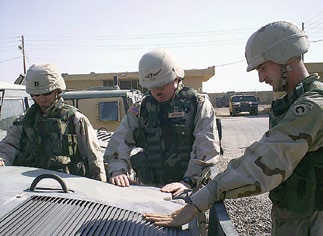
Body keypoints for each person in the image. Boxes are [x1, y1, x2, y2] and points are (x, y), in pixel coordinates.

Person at [143, 21, 323, 235]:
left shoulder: (312, 106)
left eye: (263, 67)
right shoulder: (293, 102)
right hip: (297, 216)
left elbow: (264, 162)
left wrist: (198, 201)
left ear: (286, 58)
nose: (261, 77)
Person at [104, 49, 221, 235]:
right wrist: (118, 168)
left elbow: (206, 146)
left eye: (162, 84)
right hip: (152, 193)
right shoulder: (141, 108)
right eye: (152, 86)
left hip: (188, 196)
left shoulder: (197, 103)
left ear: (176, 78)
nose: (157, 91)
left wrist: (188, 181)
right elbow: (121, 139)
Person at [0, 63, 106, 182]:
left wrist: (100, 185)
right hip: (28, 186)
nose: (41, 98)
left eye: (46, 93)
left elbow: (94, 157)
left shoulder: (75, 119)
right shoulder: (24, 121)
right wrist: (2, 160)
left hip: (67, 187)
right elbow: (9, 147)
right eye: (36, 94)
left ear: (57, 90)